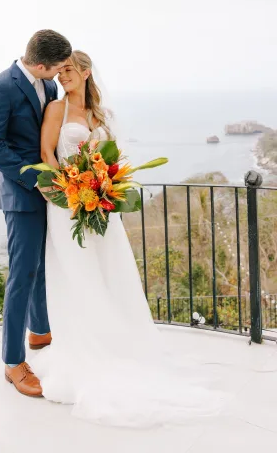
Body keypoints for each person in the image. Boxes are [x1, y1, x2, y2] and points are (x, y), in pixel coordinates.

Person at [31, 50, 225, 427]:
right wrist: (69, 190)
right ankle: (86, 350)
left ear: (86, 72)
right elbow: (46, 154)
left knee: (109, 274)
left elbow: (113, 159)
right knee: (76, 277)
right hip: (67, 207)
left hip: (100, 207)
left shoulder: (103, 116)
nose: (63, 76)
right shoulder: (55, 109)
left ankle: (119, 347)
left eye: (69, 70)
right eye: (60, 71)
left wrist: (106, 188)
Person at [0, 29, 71, 397]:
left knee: (43, 266)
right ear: (42, 64)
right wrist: (35, 180)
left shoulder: (47, 87)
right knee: (22, 274)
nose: (61, 76)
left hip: (52, 194)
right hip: (21, 197)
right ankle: (13, 362)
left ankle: (40, 331)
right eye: (58, 68)